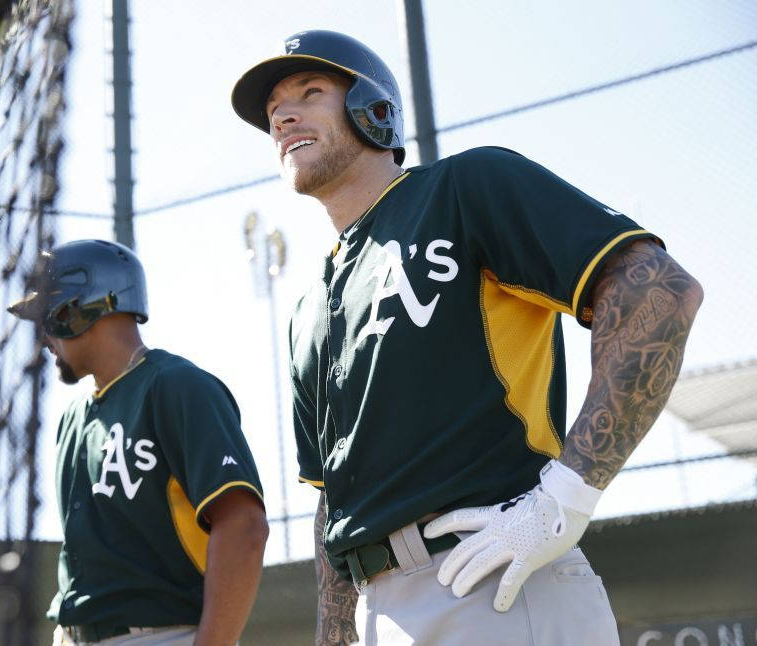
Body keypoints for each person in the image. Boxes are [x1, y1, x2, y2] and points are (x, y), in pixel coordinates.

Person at [231, 30, 703, 645]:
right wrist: (335, 634)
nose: (283, 115)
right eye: (272, 112)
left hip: (496, 578)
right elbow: (332, 498)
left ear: (373, 110)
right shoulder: (309, 309)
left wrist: (567, 496)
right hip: (380, 606)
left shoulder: (464, 187)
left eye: (310, 91)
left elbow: (658, 291)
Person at [7, 239, 268, 646]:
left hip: (163, 634)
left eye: (46, 317)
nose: (43, 338)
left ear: (76, 308)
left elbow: (244, 526)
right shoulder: (72, 421)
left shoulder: (176, 385)